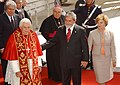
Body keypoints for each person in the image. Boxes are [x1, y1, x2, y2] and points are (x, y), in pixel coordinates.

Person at [41, 12, 89, 85]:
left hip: (76, 61)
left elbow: (85, 46)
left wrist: (85, 59)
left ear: (74, 21)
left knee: (76, 81)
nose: (67, 22)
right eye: (66, 20)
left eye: (69, 21)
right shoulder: (60, 29)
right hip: (64, 61)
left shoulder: (81, 30)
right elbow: (52, 42)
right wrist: (40, 47)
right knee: (65, 81)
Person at [2, 18, 43, 85]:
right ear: (20, 27)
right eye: (25, 27)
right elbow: (12, 57)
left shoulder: (33, 35)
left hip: (32, 65)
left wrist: (39, 65)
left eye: (28, 27)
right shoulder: (14, 37)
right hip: (18, 65)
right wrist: (16, 70)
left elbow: (38, 52)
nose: (27, 30)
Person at [88, 14, 116, 85]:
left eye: (101, 22)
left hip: (107, 58)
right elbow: (88, 47)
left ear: (105, 23)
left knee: (106, 77)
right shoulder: (92, 33)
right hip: (97, 58)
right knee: (100, 77)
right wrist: (85, 58)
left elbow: (113, 47)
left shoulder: (110, 33)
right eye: (98, 22)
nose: (99, 24)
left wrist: (114, 59)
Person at [73, 0, 102, 69]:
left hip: (93, 30)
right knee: (84, 46)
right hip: (84, 31)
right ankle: (84, 62)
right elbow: (74, 12)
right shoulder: (81, 7)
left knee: (93, 47)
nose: (88, 1)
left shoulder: (97, 9)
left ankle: (93, 63)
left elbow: (100, 19)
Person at [39, 5, 65, 82]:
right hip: (52, 45)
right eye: (55, 12)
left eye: (59, 12)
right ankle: (54, 76)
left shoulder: (64, 18)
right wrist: (52, 36)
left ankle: (62, 76)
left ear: (61, 12)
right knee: (53, 61)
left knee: (61, 62)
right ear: (53, 12)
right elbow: (44, 33)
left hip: (62, 45)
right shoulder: (47, 20)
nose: (57, 14)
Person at [0, 1, 20, 85]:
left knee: (14, 65)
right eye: (10, 9)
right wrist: (1, 47)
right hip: (4, 46)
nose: (11, 11)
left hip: (15, 46)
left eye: (13, 9)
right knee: (5, 65)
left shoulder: (17, 17)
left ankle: (14, 81)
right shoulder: (0, 18)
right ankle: (7, 82)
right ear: (6, 9)